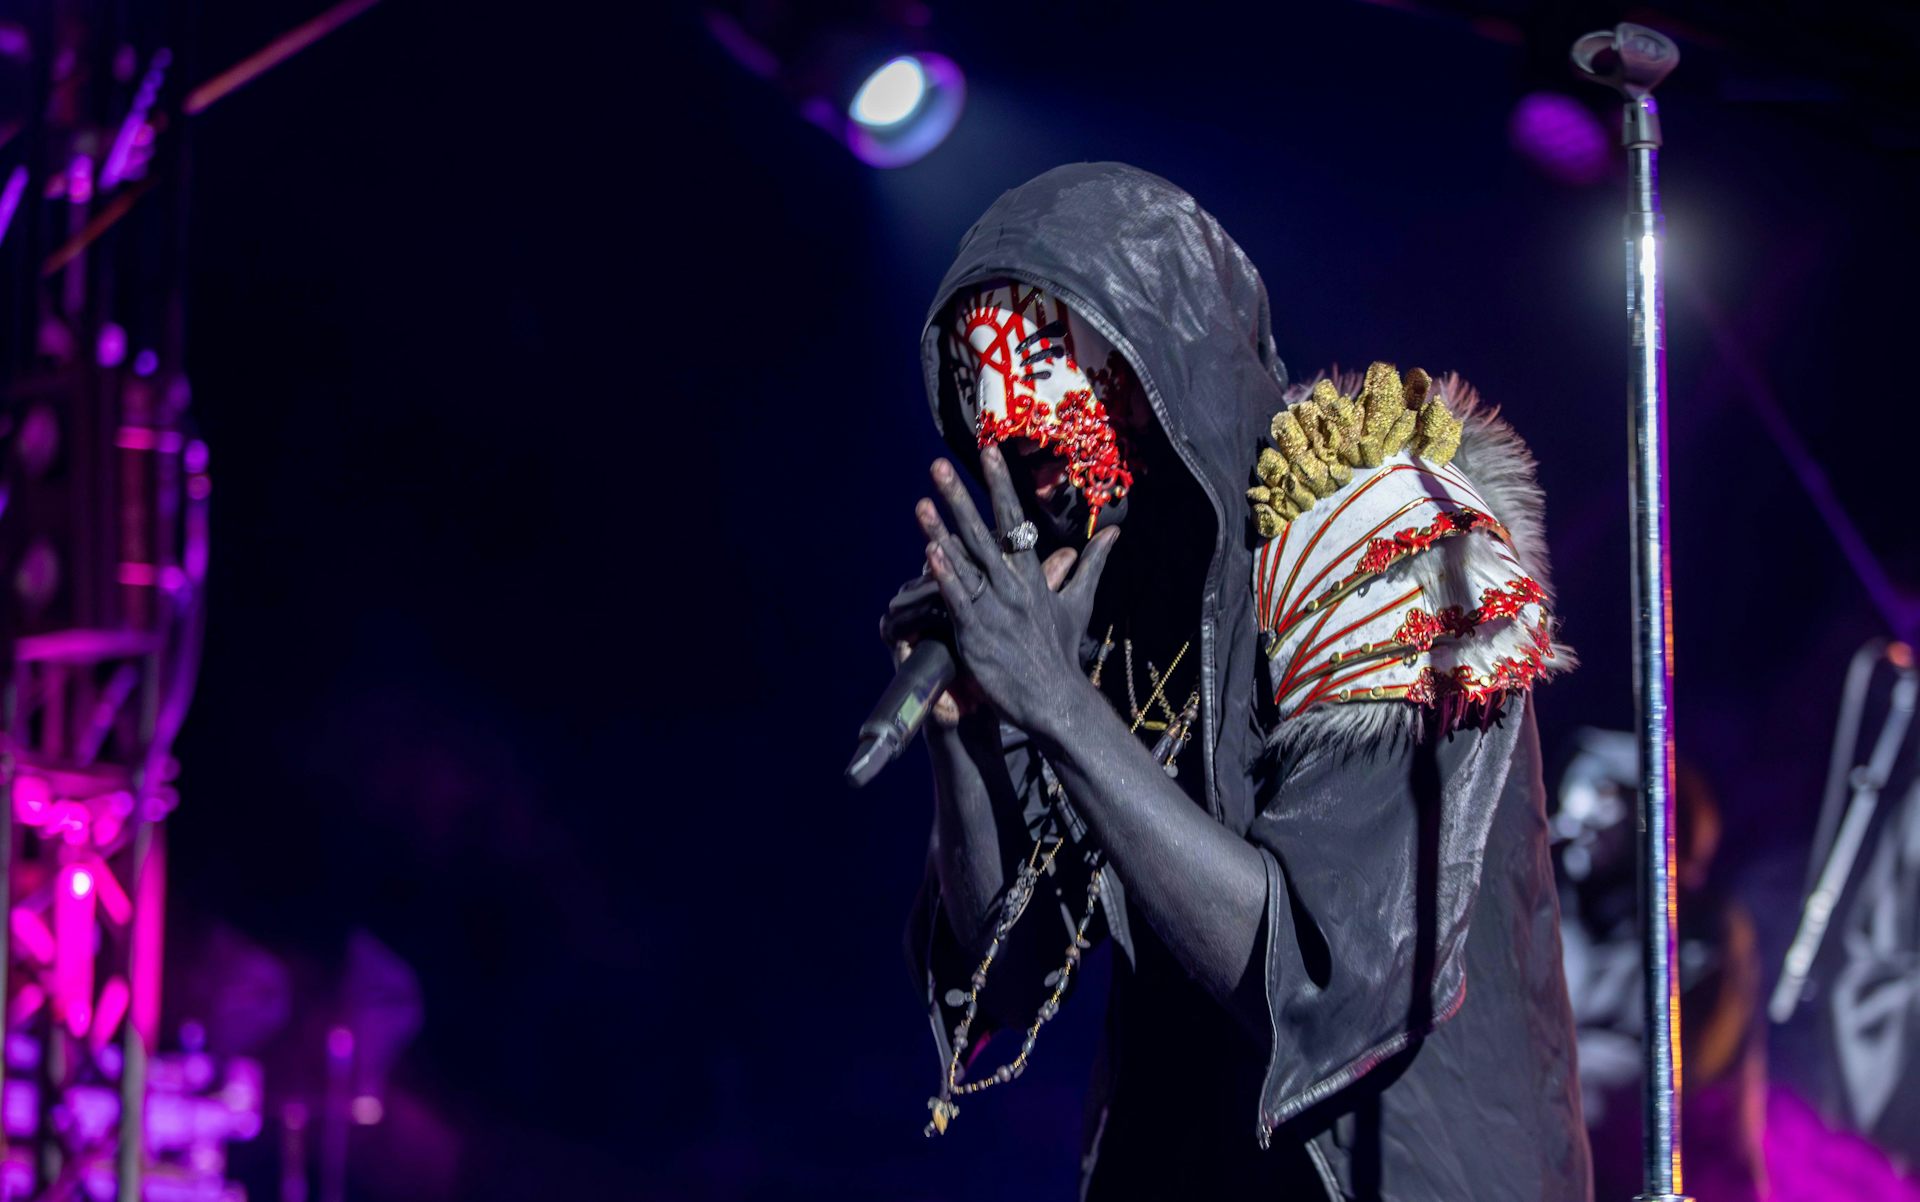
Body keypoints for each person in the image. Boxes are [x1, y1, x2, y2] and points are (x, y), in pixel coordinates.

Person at [886, 162, 1589, 1199]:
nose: (1002, 423)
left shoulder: (1385, 537)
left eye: (1035, 354)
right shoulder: (1111, 614)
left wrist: (1058, 706)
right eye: (974, 398)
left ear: (1153, 350)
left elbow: (1325, 978)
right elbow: (1009, 973)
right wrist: (969, 730)